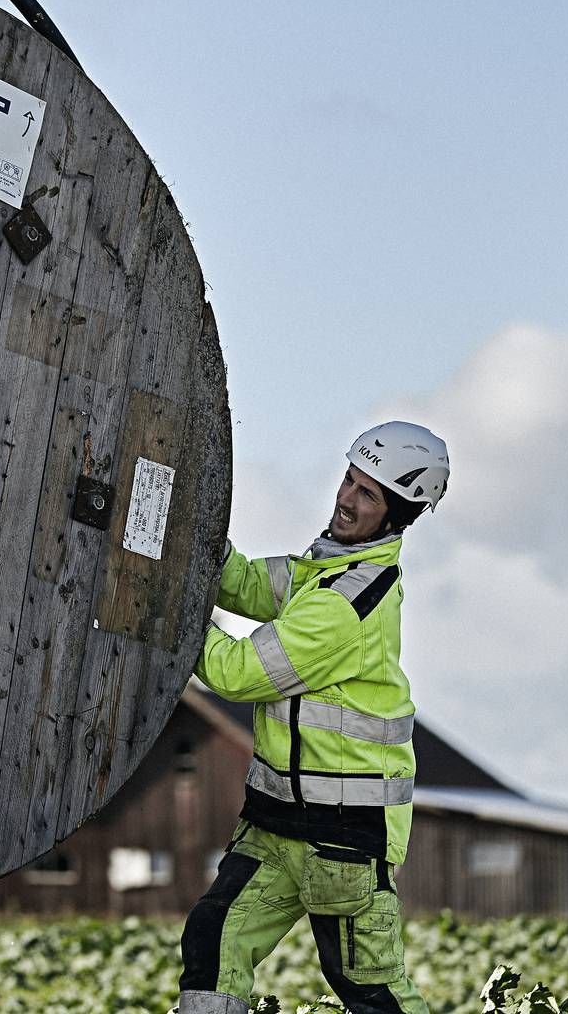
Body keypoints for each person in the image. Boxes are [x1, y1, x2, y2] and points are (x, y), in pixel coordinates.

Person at [175, 422, 449, 1014]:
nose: (346, 499)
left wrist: (170, 617)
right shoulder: (324, 572)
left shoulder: (346, 602)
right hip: (278, 824)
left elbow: (236, 673)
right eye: (350, 478)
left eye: (369, 494)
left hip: (342, 837)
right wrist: (192, 545)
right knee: (214, 941)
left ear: (398, 516)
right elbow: (246, 583)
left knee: (368, 988)